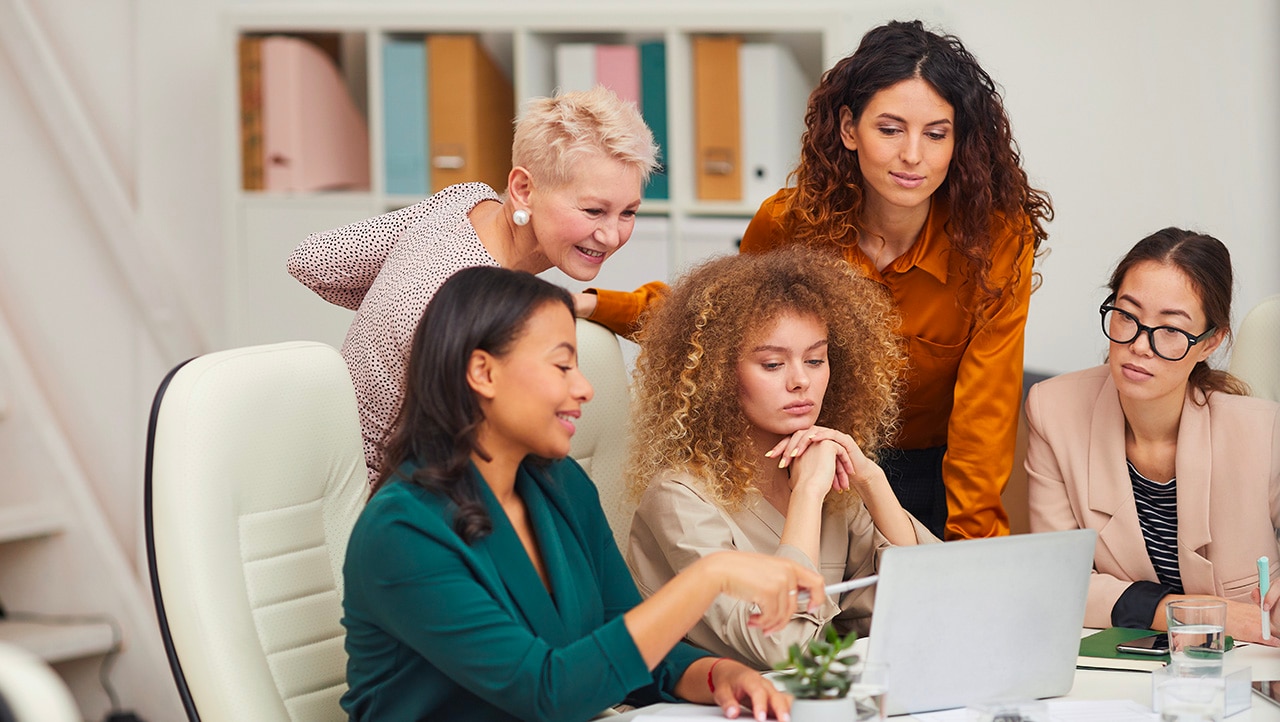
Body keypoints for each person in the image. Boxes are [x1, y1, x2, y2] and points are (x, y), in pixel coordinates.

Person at [585, 20, 1054, 540]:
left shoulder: (997, 239)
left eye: (936, 134)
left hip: (935, 476)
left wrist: (970, 555)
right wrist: (593, 303)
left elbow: (983, 418)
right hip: (805, 465)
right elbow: (715, 319)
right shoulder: (790, 222)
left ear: (958, 140)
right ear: (850, 129)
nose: (913, 156)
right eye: (891, 129)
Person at [341, 266, 826, 722]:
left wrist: (719, 674)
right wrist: (711, 577)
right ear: (483, 373)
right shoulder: (402, 530)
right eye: (562, 366)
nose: (585, 388)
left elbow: (625, 641)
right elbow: (548, 693)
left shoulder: (560, 485)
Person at [288, 86, 666, 482]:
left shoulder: (464, 202)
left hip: (344, 474)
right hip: (395, 500)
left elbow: (315, 260)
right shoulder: (476, 308)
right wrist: (410, 314)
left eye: (628, 213)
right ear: (523, 190)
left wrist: (392, 306)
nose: (611, 235)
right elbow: (470, 467)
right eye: (593, 210)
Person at [624, 248, 938, 669]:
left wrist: (871, 480)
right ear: (716, 375)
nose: (801, 381)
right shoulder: (679, 499)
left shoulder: (835, 486)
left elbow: (930, 605)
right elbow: (782, 649)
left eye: (815, 359)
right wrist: (806, 495)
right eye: (772, 364)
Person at [1026, 228, 1280, 645]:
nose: (1141, 345)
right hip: (1118, 668)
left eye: (1171, 330)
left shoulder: (1264, 432)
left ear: (1210, 341)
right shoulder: (1053, 410)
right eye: (1127, 315)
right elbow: (1058, 582)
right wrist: (1199, 613)